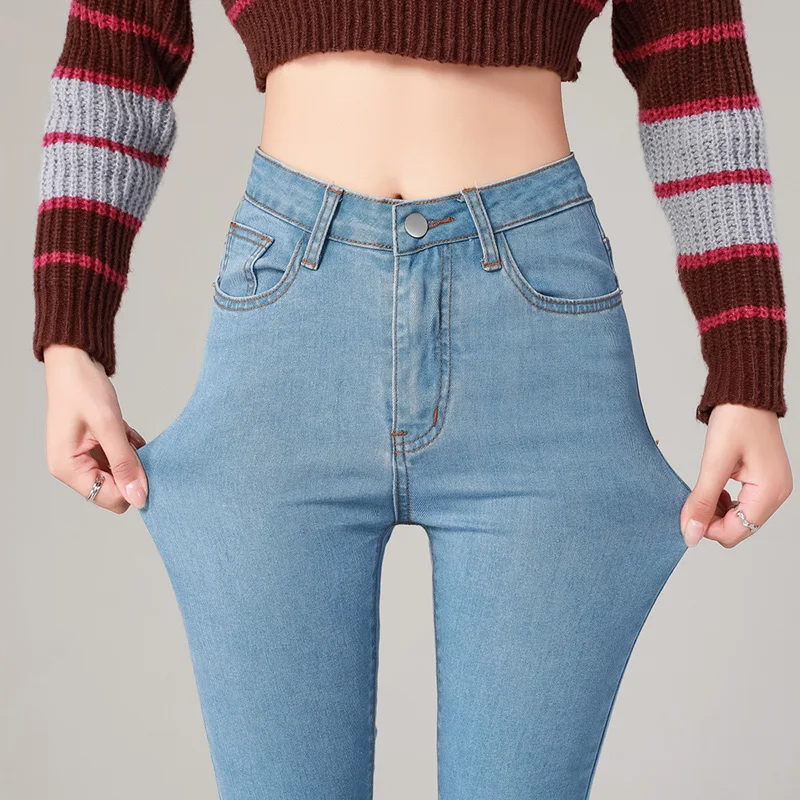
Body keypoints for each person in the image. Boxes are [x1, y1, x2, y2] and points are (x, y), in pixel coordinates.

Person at [34, 0, 792, 797]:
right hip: (289, 329)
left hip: (535, 338)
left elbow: (694, 62)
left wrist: (747, 368)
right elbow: (115, 49)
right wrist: (70, 336)